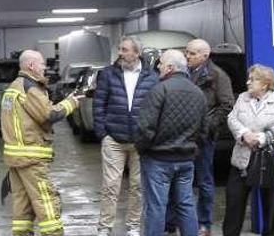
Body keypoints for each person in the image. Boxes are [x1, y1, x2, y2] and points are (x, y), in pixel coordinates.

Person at [1, 50, 81, 236]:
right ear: (31, 66)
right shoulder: (30, 87)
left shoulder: (13, 87)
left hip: (16, 158)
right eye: (42, 64)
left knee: (22, 204)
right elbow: (49, 115)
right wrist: (71, 103)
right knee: (46, 201)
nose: (45, 68)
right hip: (31, 158)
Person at [167, 39, 235, 235]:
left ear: (205, 56)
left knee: (204, 180)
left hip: (203, 137)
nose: (187, 56)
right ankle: (172, 221)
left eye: (192, 53)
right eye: (186, 52)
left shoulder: (217, 76)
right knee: (176, 178)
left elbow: (226, 105)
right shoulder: (182, 73)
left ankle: (204, 223)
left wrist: (207, 127)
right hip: (180, 135)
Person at [136, 49, 207, 236]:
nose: (157, 67)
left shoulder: (159, 90)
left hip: (158, 159)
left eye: (160, 64)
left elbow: (145, 128)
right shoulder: (198, 93)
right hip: (186, 160)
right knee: (186, 205)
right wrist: (192, 149)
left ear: (170, 67)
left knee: (156, 207)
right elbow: (204, 130)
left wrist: (142, 150)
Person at [93, 36, 159, 236]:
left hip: (140, 141)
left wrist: (150, 135)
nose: (120, 53)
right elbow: (99, 104)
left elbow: (156, 107)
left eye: (124, 49)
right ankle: (104, 228)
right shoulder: (108, 74)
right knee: (110, 186)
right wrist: (102, 133)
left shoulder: (151, 76)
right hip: (113, 139)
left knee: (137, 187)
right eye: (120, 49)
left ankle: (132, 227)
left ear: (137, 53)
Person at [222, 64, 274, 236]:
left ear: (265, 84)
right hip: (242, 161)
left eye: (253, 80)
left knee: (270, 208)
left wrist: (260, 138)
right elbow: (232, 119)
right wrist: (244, 134)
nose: (248, 82)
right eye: (249, 79)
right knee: (234, 204)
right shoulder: (242, 98)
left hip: (268, 161)